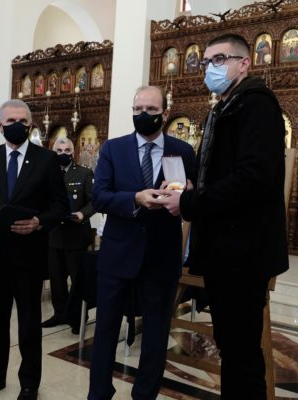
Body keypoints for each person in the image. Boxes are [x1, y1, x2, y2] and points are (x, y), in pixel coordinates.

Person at [156, 34, 289, 399]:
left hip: (243, 251)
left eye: (219, 60)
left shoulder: (257, 105)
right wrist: (190, 186)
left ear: (244, 63)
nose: (209, 68)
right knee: (231, 346)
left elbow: (253, 179)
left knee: (242, 353)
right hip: (225, 249)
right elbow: (223, 172)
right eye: (207, 62)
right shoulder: (226, 106)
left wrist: (188, 202)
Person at [88, 86, 196, 400]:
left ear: (165, 113)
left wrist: (188, 194)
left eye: (150, 110)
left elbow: (194, 198)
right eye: (137, 110)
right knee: (106, 329)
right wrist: (135, 198)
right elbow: (99, 197)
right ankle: (99, 393)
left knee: (156, 333)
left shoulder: (183, 151)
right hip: (118, 252)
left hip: (162, 253)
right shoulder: (113, 148)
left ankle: (145, 394)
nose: (142, 115)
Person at [0, 99, 68, 400]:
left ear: (30, 125)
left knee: (29, 324)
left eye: (23, 121)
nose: (17, 126)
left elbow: (60, 205)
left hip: (29, 256)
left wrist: (39, 222)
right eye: (11, 121)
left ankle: (29, 383)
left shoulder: (46, 159)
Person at [42, 137, 95, 330]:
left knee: (77, 279)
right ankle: (60, 313)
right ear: (53, 151)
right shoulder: (47, 173)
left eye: (66, 151)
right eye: (59, 150)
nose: (63, 154)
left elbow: (95, 200)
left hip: (76, 234)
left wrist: (83, 213)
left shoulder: (84, 173)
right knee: (56, 279)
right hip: (55, 234)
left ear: (73, 152)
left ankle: (78, 317)